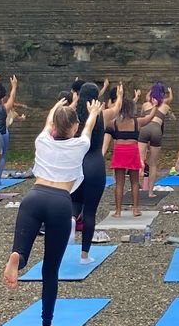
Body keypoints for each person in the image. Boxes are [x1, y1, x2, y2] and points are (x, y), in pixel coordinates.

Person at [2, 93, 113, 326]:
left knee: (22, 249)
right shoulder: (80, 145)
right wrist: (94, 113)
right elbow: (87, 128)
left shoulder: (42, 140)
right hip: (59, 202)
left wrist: (58, 106)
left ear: (53, 126)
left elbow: (48, 122)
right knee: (50, 269)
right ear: (72, 128)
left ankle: (17, 258)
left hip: (32, 198)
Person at [69, 81, 111, 260]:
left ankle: (71, 220)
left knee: (74, 202)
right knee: (90, 211)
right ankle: (84, 255)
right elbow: (116, 108)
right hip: (94, 163)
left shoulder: (73, 116)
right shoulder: (100, 115)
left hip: (76, 163)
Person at [107, 90, 143, 218]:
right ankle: (135, 209)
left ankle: (118, 211)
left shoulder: (114, 123)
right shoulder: (137, 122)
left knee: (119, 183)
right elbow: (151, 118)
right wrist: (156, 106)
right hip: (132, 150)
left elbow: (103, 122)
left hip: (119, 150)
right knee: (134, 181)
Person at [139, 83, 170, 195]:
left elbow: (143, 117)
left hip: (145, 129)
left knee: (141, 160)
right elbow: (172, 116)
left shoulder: (145, 105)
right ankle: (150, 192)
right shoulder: (165, 106)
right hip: (156, 130)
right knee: (153, 164)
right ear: (162, 94)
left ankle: (141, 176)